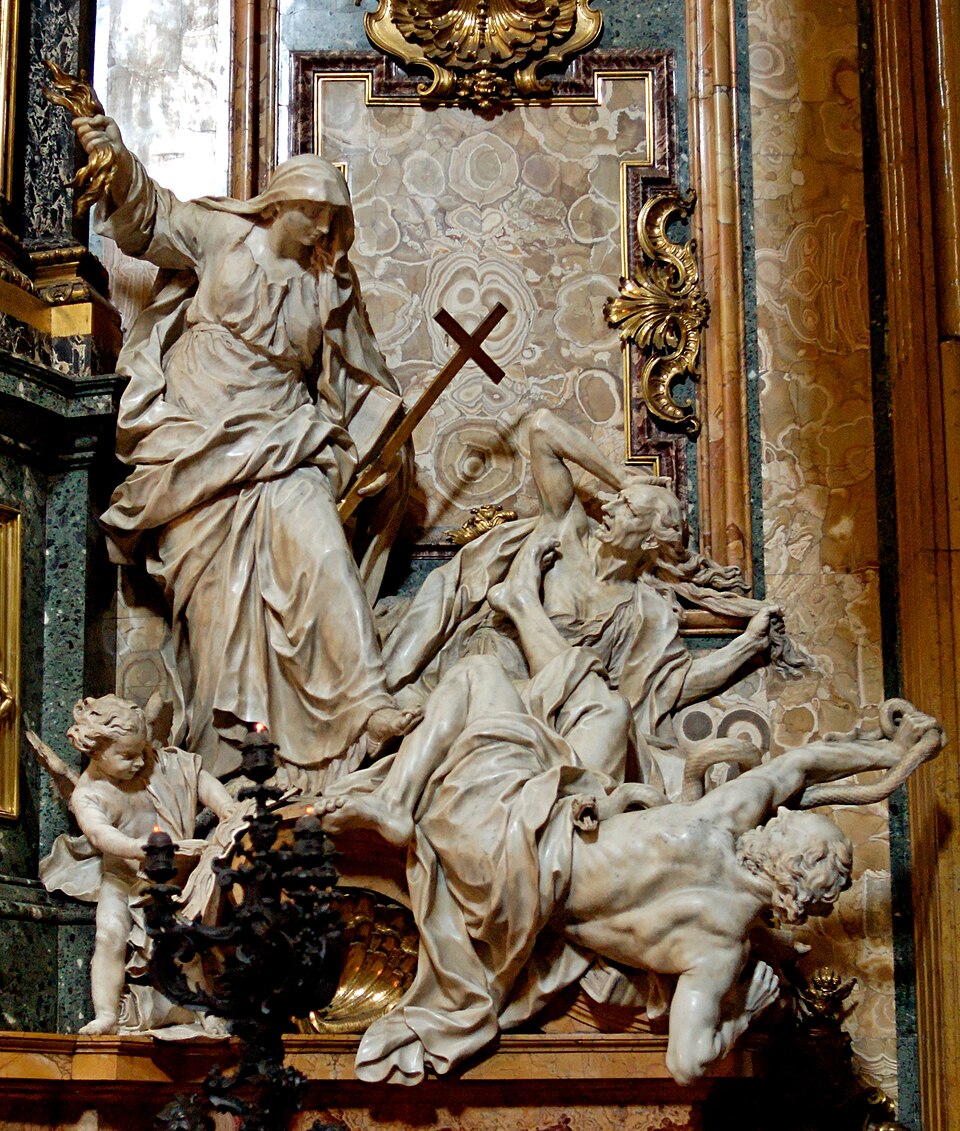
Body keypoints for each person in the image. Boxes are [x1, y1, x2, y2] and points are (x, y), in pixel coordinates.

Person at [317, 537, 944, 1086]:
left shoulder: (717, 830)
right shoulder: (717, 947)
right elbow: (690, 1061)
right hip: (528, 869)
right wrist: (740, 1012)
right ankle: (523, 606)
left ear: (783, 850)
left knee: (479, 673)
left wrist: (888, 751)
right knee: (608, 712)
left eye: (784, 825)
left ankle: (394, 802)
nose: (777, 817)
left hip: (506, 837)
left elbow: (800, 766)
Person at [72, 113, 419, 783]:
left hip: (286, 441)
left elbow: (357, 378)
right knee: (217, 606)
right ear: (280, 202)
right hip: (194, 447)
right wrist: (115, 161)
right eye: (312, 211)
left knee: (323, 551)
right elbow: (152, 217)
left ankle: (367, 703)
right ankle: (229, 761)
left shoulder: (328, 284)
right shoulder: (221, 234)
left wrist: (382, 439)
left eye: (332, 217)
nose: (321, 227)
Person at [381, 408, 799, 791]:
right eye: (618, 499)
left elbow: (670, 684)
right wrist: (624, 481)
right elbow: (542, 427)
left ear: (649, 540)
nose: (611, 507)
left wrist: (747, 645)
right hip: (484, 681)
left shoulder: (644, 610)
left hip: (548, 710)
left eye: (627, 508)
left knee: (619, 730)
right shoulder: (566, 533)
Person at [39, 695, 243, 1035]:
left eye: (142, 751)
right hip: (122, 878)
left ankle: (205, 1010)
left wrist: (226, 808)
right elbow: (100, 834)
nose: (139, 762)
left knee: (188, 943)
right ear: (95, 752)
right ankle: (106, 1014)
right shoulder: (89, 794)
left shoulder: (157, 762)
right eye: (127, 756)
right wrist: (139, 849)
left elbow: (196, 778)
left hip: (178, 876)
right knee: (109, 935)